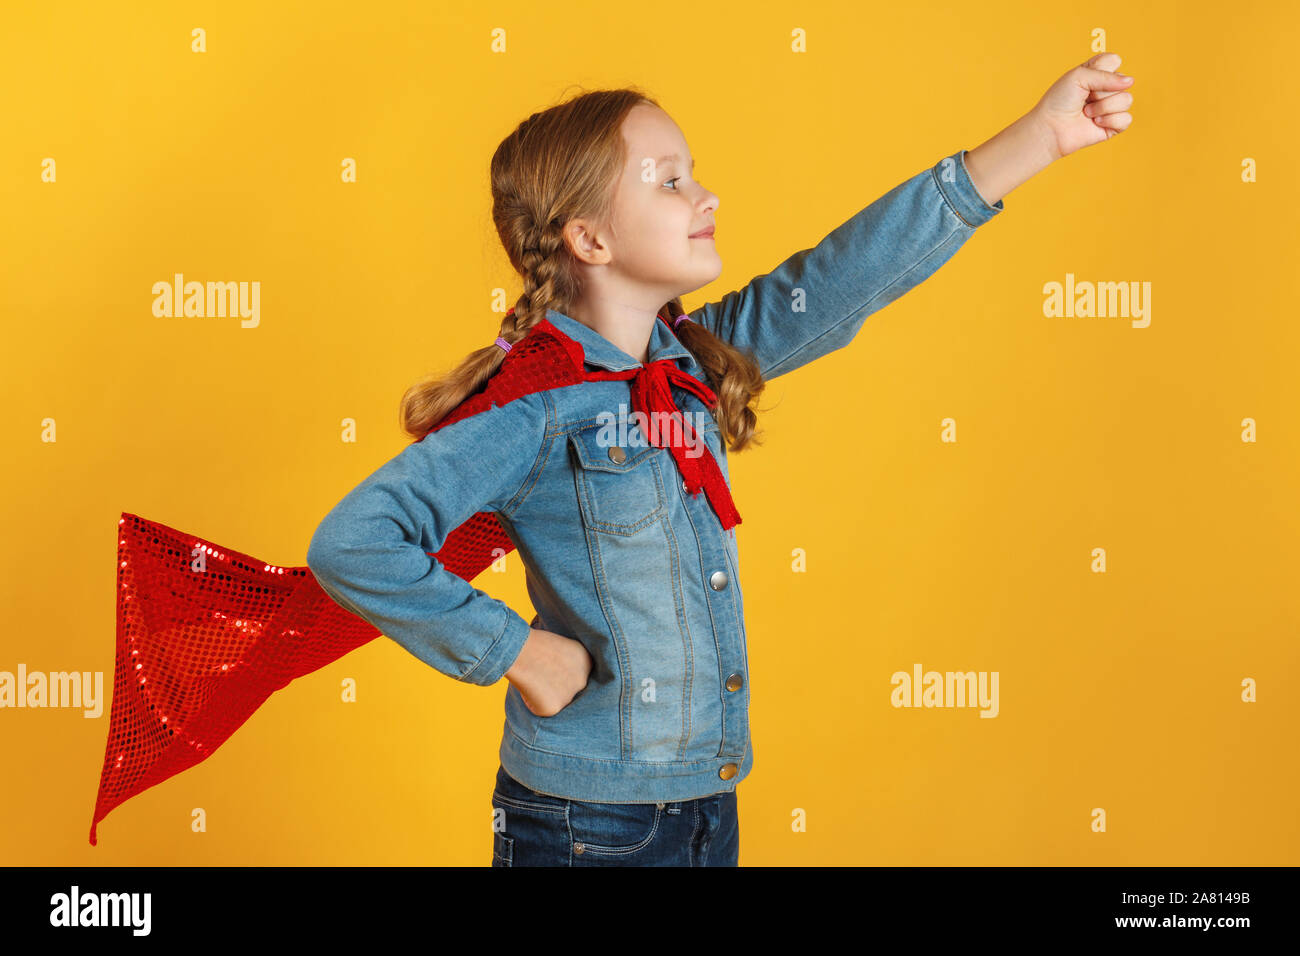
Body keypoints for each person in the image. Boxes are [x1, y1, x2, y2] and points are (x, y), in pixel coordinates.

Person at [305, 54, 1136, 867]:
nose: (706, 195)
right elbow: (355, 542)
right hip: (585, 823)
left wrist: (1041, 137)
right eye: (668, 181)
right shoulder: (537, 401)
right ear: (588, 237)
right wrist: (517, 653)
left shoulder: (692, 364)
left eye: (691, 173)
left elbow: (848, 277)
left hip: (706, 801)